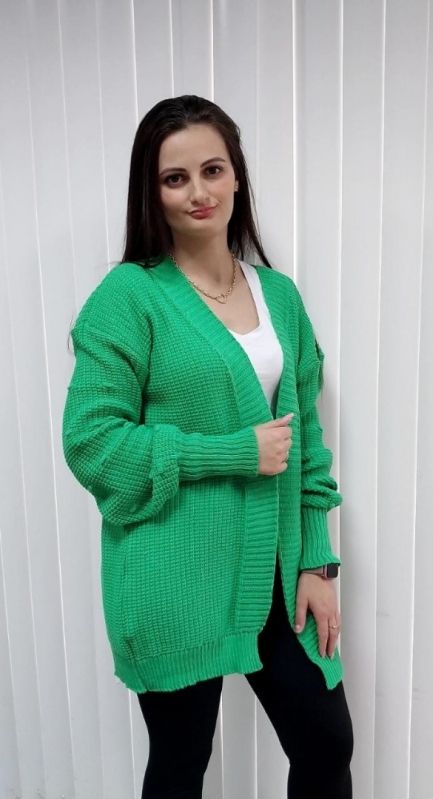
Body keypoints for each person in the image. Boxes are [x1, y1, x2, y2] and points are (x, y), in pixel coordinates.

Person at [62, 94, 353, 798]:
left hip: (276, 568)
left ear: (236, 175)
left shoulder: (279, 296)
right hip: (172, 572)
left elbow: (307, 440)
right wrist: (231, 453)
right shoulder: (127, 298)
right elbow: (92, 441)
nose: (199, 192)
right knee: (182, 759)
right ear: (152, 192)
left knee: (326, 742)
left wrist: (316, 560)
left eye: (212, 170)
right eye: (176, 178)